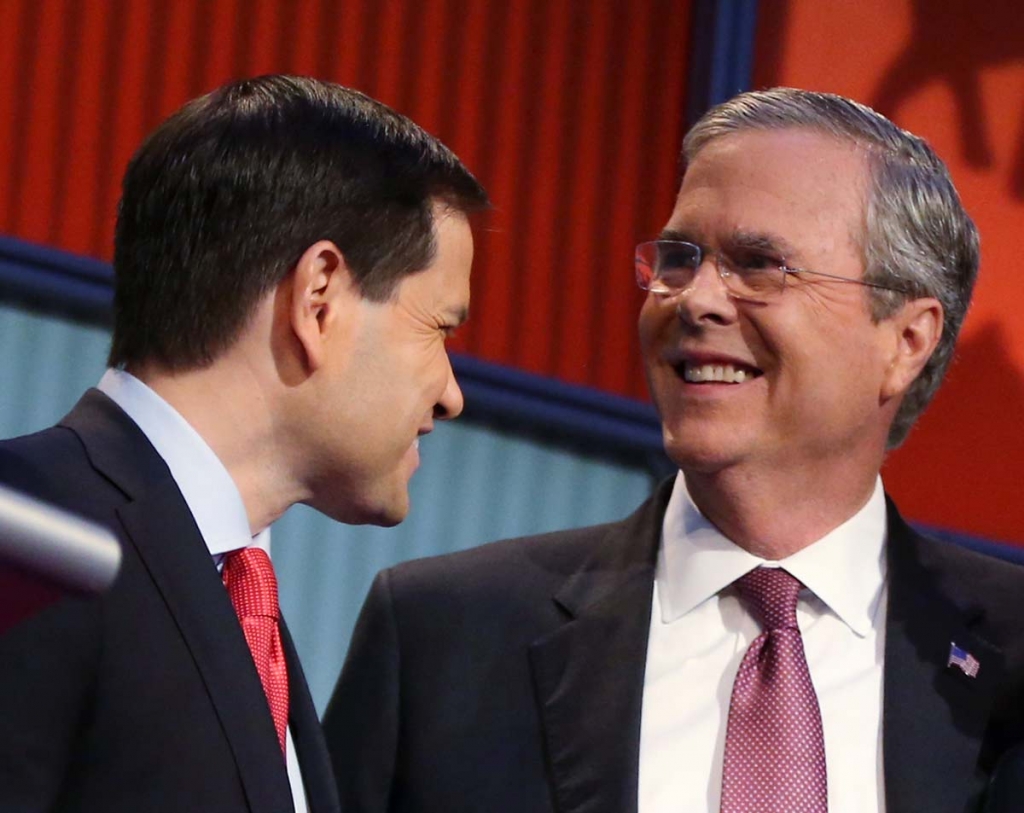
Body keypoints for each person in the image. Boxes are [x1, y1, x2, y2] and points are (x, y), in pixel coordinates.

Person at [322, 88, 1024, 813]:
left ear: (905, 341)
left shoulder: (1011, 662)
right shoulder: (445, 638)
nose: (695, 299)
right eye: (680, 258)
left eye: (759, 265)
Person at [0, 74, 487, 813]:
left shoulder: (240, 608)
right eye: (439, 328)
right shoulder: (29, 532)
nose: (451, 393)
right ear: (318, 298)